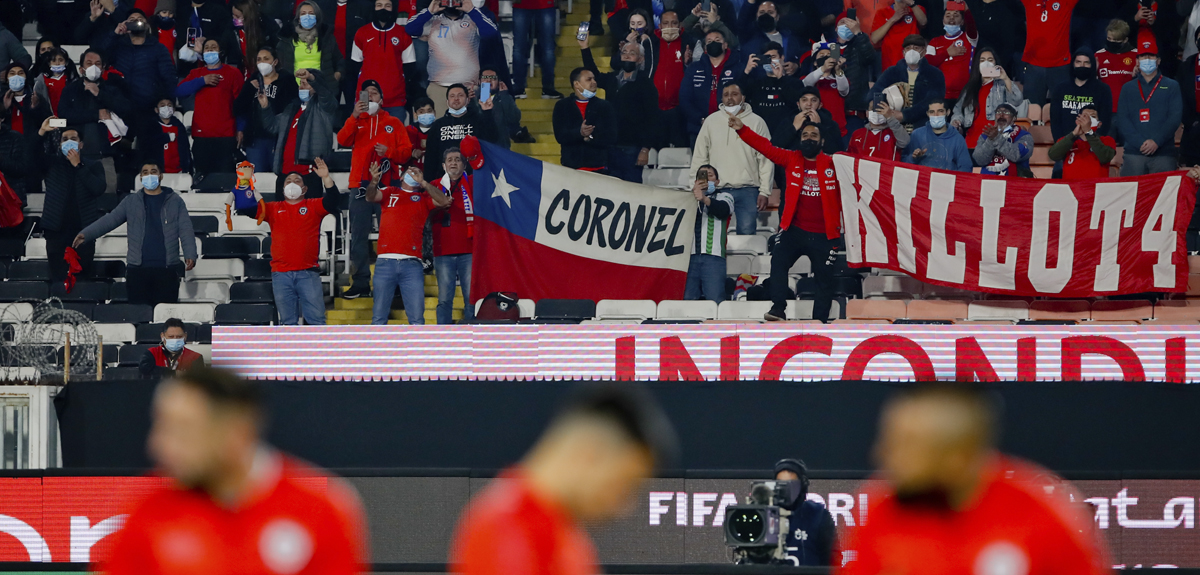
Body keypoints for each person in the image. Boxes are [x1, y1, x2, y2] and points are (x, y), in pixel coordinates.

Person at [103, 366, 367, 574]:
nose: (159, 446)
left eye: (182, 431)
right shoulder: (145, 511)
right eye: (161, 427)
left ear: (237, 432)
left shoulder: (322, 509)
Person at [837, 383, 1109, 575]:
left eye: (907, 445)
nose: (882, 455)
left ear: (959, 457)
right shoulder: (881, 513)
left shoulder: (1042, 516)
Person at [451, 382, 677, 575]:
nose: (624, 507)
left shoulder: (567, 540)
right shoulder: (507, 530)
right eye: (624, 484)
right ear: (590, 454)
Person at [729, 115, 840, 322]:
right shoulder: (791, 158)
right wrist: (742, 129)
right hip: (794, 231)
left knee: (825, 281)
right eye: (805, 135)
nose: (808, 138)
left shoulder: (835, 163)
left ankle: (819, 323)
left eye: (813, 135)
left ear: (822, 141)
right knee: (778, 261)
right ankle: (778, 308)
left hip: (826, 234)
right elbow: (765, 147)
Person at [74, 162, 196, 305]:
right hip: (137, 272)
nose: (149, 175)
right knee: (138, 317)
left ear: (161, 176)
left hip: (167, 271)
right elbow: (110, 219)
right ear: (140, 177)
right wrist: (86, 234)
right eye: (145, 172)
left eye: (153, 171)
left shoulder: (176, 201)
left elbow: (186, 228)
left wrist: (190, 253)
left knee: (163, 319)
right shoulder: (130, 201)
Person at [237, 158, 340, 325]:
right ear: (283, 188)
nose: (293, 183)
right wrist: (244, 181)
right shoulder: (272, 208)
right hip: (281, 274)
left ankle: (318, 352)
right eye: (289, 181)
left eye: (297, 180)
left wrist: (326, 177)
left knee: (317, 322)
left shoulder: (313, 205)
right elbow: (246, 208)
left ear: (304, 188)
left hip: (308, 273)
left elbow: (333, 200)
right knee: (287, 323)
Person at [338, 79, 413, 301]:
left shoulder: (394, 122)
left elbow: (406, 153)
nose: (370, 97)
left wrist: (389, 151)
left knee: (390, 235)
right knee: (358, 236)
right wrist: (353, 116)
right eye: (365, 94)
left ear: (381, 98)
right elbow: (342, 140)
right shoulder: (355, 120)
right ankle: (361, 282)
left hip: (387, 186)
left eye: (373, 93)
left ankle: (393, 283)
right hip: (359, 185)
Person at [364, 159, 450, 325]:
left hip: (412, 264)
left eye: (417, 172)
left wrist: (423, 182)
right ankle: (376, 351)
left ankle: (417, 351)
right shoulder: (391, 191)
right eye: (410, 171)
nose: (413, 173)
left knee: (417, 318)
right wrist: (374, 181)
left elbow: (444, 201)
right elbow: (370, 197)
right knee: (379, 317)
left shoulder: (424, 198)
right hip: (385, 262)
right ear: (402, 177)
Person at [691, 82, 771, 236]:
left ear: (743, 98)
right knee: (714, 236)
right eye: (726, 95)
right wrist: (695, 185)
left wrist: (765, 192)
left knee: (746, 236)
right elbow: (700, 156)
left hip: (748, 190)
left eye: (734, 94)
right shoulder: (711, 121)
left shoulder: (757, 122)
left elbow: (765, 159)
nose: (730, 99)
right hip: (715, 189)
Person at [579, 34, 660, 183]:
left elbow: (653, 118)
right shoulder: (612, 79)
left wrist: (645, 148)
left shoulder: (646, 84)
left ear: (641, 59)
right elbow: (594, 74)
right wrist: (585, 48)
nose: (627, 56)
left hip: (632, 148)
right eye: (624, 53)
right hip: (610, 146)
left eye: (632, 53)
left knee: (632, 190)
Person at [38, 121, 106, 283]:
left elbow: (98, 188)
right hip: (56, 231)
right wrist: (41, 131)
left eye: (73, 138)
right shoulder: (52, 164)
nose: (69, 141)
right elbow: (31, 157)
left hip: (84, 232)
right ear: (60, 144)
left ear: (81, 144)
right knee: (58, 280)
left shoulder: (93, 165)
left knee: (82, 280)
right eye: (65, 139)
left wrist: (79, 165)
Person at [405, 0, 500, 115]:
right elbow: (409, 29)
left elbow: (491, 33)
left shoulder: (473, 20)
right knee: (441, 130)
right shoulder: (433, 21)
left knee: (472, 129)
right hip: (439, 88)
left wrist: (472, 10)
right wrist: (429, 11)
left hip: (469, 88)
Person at [57, 48, 133, 187]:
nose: (93, 67)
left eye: (97, 63)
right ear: (81, 69)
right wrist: (95, 115)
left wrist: (100, 94)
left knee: (107, 200)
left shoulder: (112, 90)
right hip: (75, 155)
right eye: (89, 63)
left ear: (103, 68)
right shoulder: (70, 90)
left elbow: (127, 110)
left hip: (105, 156)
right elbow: (63, 116)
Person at [177, 38, 242, 180]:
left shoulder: (233, 73)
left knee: (225, 179)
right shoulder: (197, 73)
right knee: (202, 179)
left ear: (221, 52)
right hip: (202, 136)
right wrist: (202, 81)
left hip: (226, 135)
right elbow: (180, 91)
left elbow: (241, 104)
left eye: (214, 47)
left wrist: (241, 128)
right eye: (207, 48)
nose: (210, 50)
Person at [430, 144, 479, 325]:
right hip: (443, 250)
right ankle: (442, 338)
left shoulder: (473, 183)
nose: (453, 163)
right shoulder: (434, 186)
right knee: (444, 299)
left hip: (468, 249)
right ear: (443, 166)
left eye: (458, 160)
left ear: (464, 165)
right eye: (449, 160)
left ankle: (472, 334)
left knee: (471, 299)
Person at [259, 68, 336, 176]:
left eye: (305, 84)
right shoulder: (291, 108)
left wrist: (310, 77)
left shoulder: (324, 108)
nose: (301, 87)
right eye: (300, 84)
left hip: (310, 172)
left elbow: (324, 92)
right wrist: (265, 107)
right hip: (285, 172)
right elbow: (272, 126)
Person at [1118, 49, 1182, 176]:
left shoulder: (1171, 86)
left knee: (1164, 195)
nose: (1147, 59)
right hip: (1133, 154)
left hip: (1164, 154)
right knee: (1131, 195)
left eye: (1151, 56)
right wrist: (1139, 143)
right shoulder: (1127, 88)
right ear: (1137, 61)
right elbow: (1122, 119)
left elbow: (1174, 118)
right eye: (1143, 56)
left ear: (1158, 61)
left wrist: (1156, 141)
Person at [351, 0, 418, 121]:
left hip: (395, 100)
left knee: (394, 138)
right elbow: (355, 65)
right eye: (379, 5)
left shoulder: (403, 34)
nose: (383, 9)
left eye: (388, 6)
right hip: (366, 98)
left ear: (393, 8)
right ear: (373, 8)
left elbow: (410, 67)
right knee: (364, 138)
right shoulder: (361, 33)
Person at [235, 47, 297, 171]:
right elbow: (237, 108)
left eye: (266, 59)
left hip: (279, 138)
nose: (262, 62)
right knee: (258, 178)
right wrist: (249, 90)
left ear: (275, 62)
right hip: (255, 139)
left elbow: (292, 107)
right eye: (259, 60)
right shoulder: (251, 82)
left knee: (280, 175)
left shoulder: (287, 81)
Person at [952, 48, 1022, 154]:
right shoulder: (970, 88)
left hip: (995, 142)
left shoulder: (1002, 85)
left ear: (995, 63)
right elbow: (958, 111)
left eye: (990, 60)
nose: (986, 63)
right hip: (971, 143)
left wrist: (1006, 78)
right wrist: (956, 120)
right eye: (982, 60)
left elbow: (1017, 100)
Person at [679, 29, 743, 144]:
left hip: (729, 127)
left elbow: (743, 97)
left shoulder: (737, 68)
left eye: (717, 40)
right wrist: (700, 119)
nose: (713, 43)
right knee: (700, 162)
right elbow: (684, 98)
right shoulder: (694, 69)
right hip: (699, 128)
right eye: (709, 41)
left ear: (725, 45)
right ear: (704, 48)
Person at [1020, 0, 1079, 122]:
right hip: (1034, 65)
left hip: (1060, 66)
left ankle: (1065, 139)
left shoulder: (1066, 2)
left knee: (1064, 108)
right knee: (1032, 110)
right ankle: (1031, 139)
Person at [870, 35, 946, 130]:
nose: (912, 51)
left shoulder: (934, 74)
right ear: (903, 52)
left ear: (924, 51)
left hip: (922, 127)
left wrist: (904, 115)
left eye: (916, 48)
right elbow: (876, 90)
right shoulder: (892, 72)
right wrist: (872, 102)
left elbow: (932, 101)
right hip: (894, 127)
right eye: (908, 48)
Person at [773, 459, 839, 566]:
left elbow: (834, 561)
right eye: (780, 484)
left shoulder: (818, 515)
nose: (786, 490)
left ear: (802, 486)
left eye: (791, 484)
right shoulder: (763, 515)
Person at [425, 83, 498, 181]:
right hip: (444, 180)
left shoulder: (478, 121)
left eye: (460, 95)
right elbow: (431, 157)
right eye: (452, 96)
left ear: (468, 100)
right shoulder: (437, 125)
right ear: (447, 101)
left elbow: (492, 140)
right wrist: (429, 183)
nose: (456, 99)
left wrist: (487, 112)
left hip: (474, 178)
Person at [277, 1, 343, 102]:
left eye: (311, 13)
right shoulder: (287, 40)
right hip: (294, 90)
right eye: (303, 14)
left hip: (323, 89)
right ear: (298, 19)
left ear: (317, 17)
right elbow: (279, 65)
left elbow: (340, 61)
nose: (307, 17)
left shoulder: (327, 38)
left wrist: (335, 77)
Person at [685, 164, 734, 304]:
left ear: (717, 182)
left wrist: (704, 199)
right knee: (687, 301)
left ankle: (715, 326)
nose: (706, 178)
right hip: (688, 257)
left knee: (715, 301)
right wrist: (694, 195)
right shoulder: (686, 198)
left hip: (714, 257)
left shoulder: (725, 196)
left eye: (710, 175)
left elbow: (723, 210)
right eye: (702, 175)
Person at [553, 68, 618, 172]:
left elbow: (611, 136)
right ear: (577, 84)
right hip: (572, 168)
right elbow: (560, 135)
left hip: (599, 168)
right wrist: (579, 133)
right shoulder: (562, 106)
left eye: (594, 79)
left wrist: (590, 138)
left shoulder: (605, 106)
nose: (594, 82)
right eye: (589, 79)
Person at [1048, 50, 1113, 144]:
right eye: (1078, 62)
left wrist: (1095, 144)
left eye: (1086, 63)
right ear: (1073, 64)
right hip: (1064, 146)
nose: (1082, 65)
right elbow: (1055, 121)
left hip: (1092, 146)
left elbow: (1105, 121)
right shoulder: (1060, 89)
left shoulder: (1103, 89)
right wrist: (1061, 144)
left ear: (1092, 65)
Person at [836, 16, 881, 140]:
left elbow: (870, 57)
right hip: (835, 114)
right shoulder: (831, 48)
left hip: (856, 114)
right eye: (843, 23)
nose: (847, 26)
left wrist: (859, 33)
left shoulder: (859, 47)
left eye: (851, 24)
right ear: (836, 28)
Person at [1047, 105, 1116, 179]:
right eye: (1085, 117)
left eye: (1092, 117)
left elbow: (1105, 157)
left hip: (1095, 188)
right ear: (1077, 121)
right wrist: (1073, 135)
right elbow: (1053, 155)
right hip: (1071, 188)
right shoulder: (1068, 140)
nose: (1088, 121)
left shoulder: (1107, 140)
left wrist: (1088, 132)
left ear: (1099, 124)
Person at [926, 5, 974, 110]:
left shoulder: (969, 38)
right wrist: (947, 53)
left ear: (962, 21)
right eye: (948, 15)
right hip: (941, 96)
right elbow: (927, 63)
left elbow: (971, 24)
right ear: (943, 20)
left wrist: (966, 8)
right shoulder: (934, 42)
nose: (951, 18)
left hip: (964, 95)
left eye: (956, 15)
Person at [510, 0, 560, 99]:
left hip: (544, 5)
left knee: (547, 49)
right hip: (524, 5)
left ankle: (547, 88)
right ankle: (520, 87)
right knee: (521, 49)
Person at [905, 99, 973, 171]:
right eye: (932, 112)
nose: (936, 115)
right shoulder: (916, 135)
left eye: (940, 111)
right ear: (927, 114)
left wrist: (952, 176)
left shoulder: (958, 139)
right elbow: (903, 163)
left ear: (948, 112)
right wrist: (913, 158)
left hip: (947, 181)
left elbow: (966, 167)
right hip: (923, 180)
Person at [773, 87, 842, 158]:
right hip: (793, 164)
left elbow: (837, 152)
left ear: (820, 105)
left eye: (814, 100)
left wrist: (819, 127)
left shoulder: (830, 124)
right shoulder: (788, 121)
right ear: (798, 104)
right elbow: (773, 148)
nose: (809, 104)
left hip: (820, 164)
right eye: (804, 100)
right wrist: (793, 128)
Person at [654, 10, 689, 147]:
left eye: (674, 23)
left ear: (680, 25)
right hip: (656, 109)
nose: (670, 27)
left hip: (680, 110)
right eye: (666, 23)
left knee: (681, 150)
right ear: (660, 25)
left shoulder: (688, 42)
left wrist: (688, 63)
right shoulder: (651, 43)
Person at [800, 45, 847, 142]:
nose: (826, 57)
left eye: (829, 55)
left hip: (837, 129)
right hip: (812, 129)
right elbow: (806, 84)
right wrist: (823, 69)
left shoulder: (839, 78)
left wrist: (838, 70)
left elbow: (844, 90)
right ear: (815, 62)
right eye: (822, 55)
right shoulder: (808, 77)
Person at [973, 103, 1033, 177]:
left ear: (1014, 118)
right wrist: (990, 140)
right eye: (998, 112)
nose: (1001, 115)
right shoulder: (985, 136)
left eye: (1006, 112)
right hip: (988, 182)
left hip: (1016, 182)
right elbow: (980, 160)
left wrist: (997, 138)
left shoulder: (1024, 136)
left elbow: (1017, 155)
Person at [737, 0, 801, 64]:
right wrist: (750, 2)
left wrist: (796, 66)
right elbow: (742, 22)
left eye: (770, 12)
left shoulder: (789, 37)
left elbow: (798, 57)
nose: (766, 15)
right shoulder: (748, 36)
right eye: (762, 12)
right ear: (756, 16)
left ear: (777, 17)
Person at [136, 317, 204, 377]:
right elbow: (144, 369)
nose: (175, 339)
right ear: (163, 336)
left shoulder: (195, 357)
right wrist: (174, 373)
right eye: (171, 337)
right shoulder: (151, 353)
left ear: (185, 336)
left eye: (179, 337)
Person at [1095, 19, 1137, 114]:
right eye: (1109, 39)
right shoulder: (1098, 56)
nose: (1112, 42)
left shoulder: (1136, 55)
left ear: (1125, 40)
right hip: (1105, 110)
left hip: (1129, 110)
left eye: (1116, 40)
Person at [871, 0, 926, 68]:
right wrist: (893, 19)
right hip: (890, 61)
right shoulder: (882, 12)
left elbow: (923, 22)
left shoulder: (916, 9)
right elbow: (874, 39)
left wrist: (912, 4)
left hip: (912, 61)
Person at [1, 63, 51, 137]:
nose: (16, 76)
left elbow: (46, 122)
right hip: (7, 145)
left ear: (26, 77)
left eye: (20, 73)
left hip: (32, 144)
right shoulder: (1, 99)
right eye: (12, 73)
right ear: (7, 79)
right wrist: (5, 108)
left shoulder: (37, 98)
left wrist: (35, 108)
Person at [151, 97, 192, 174]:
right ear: (156, 109)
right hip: (156, 172)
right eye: (162, 105)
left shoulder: (179, 127)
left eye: (169, 105)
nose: (166, 108)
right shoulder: (151, 126)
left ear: (173, 109)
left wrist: (187, 169)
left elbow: (185, 149)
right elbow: (147, 143)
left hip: (177, 171)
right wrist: (166, 137)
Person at [32, 48, 76, 116]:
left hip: (69, 118)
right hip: (48, 117)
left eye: (61, 60)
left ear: (66, 62)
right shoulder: (42, 80)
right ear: (49, 63)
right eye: (54, 60)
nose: (57, 63)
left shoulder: (73, 80)